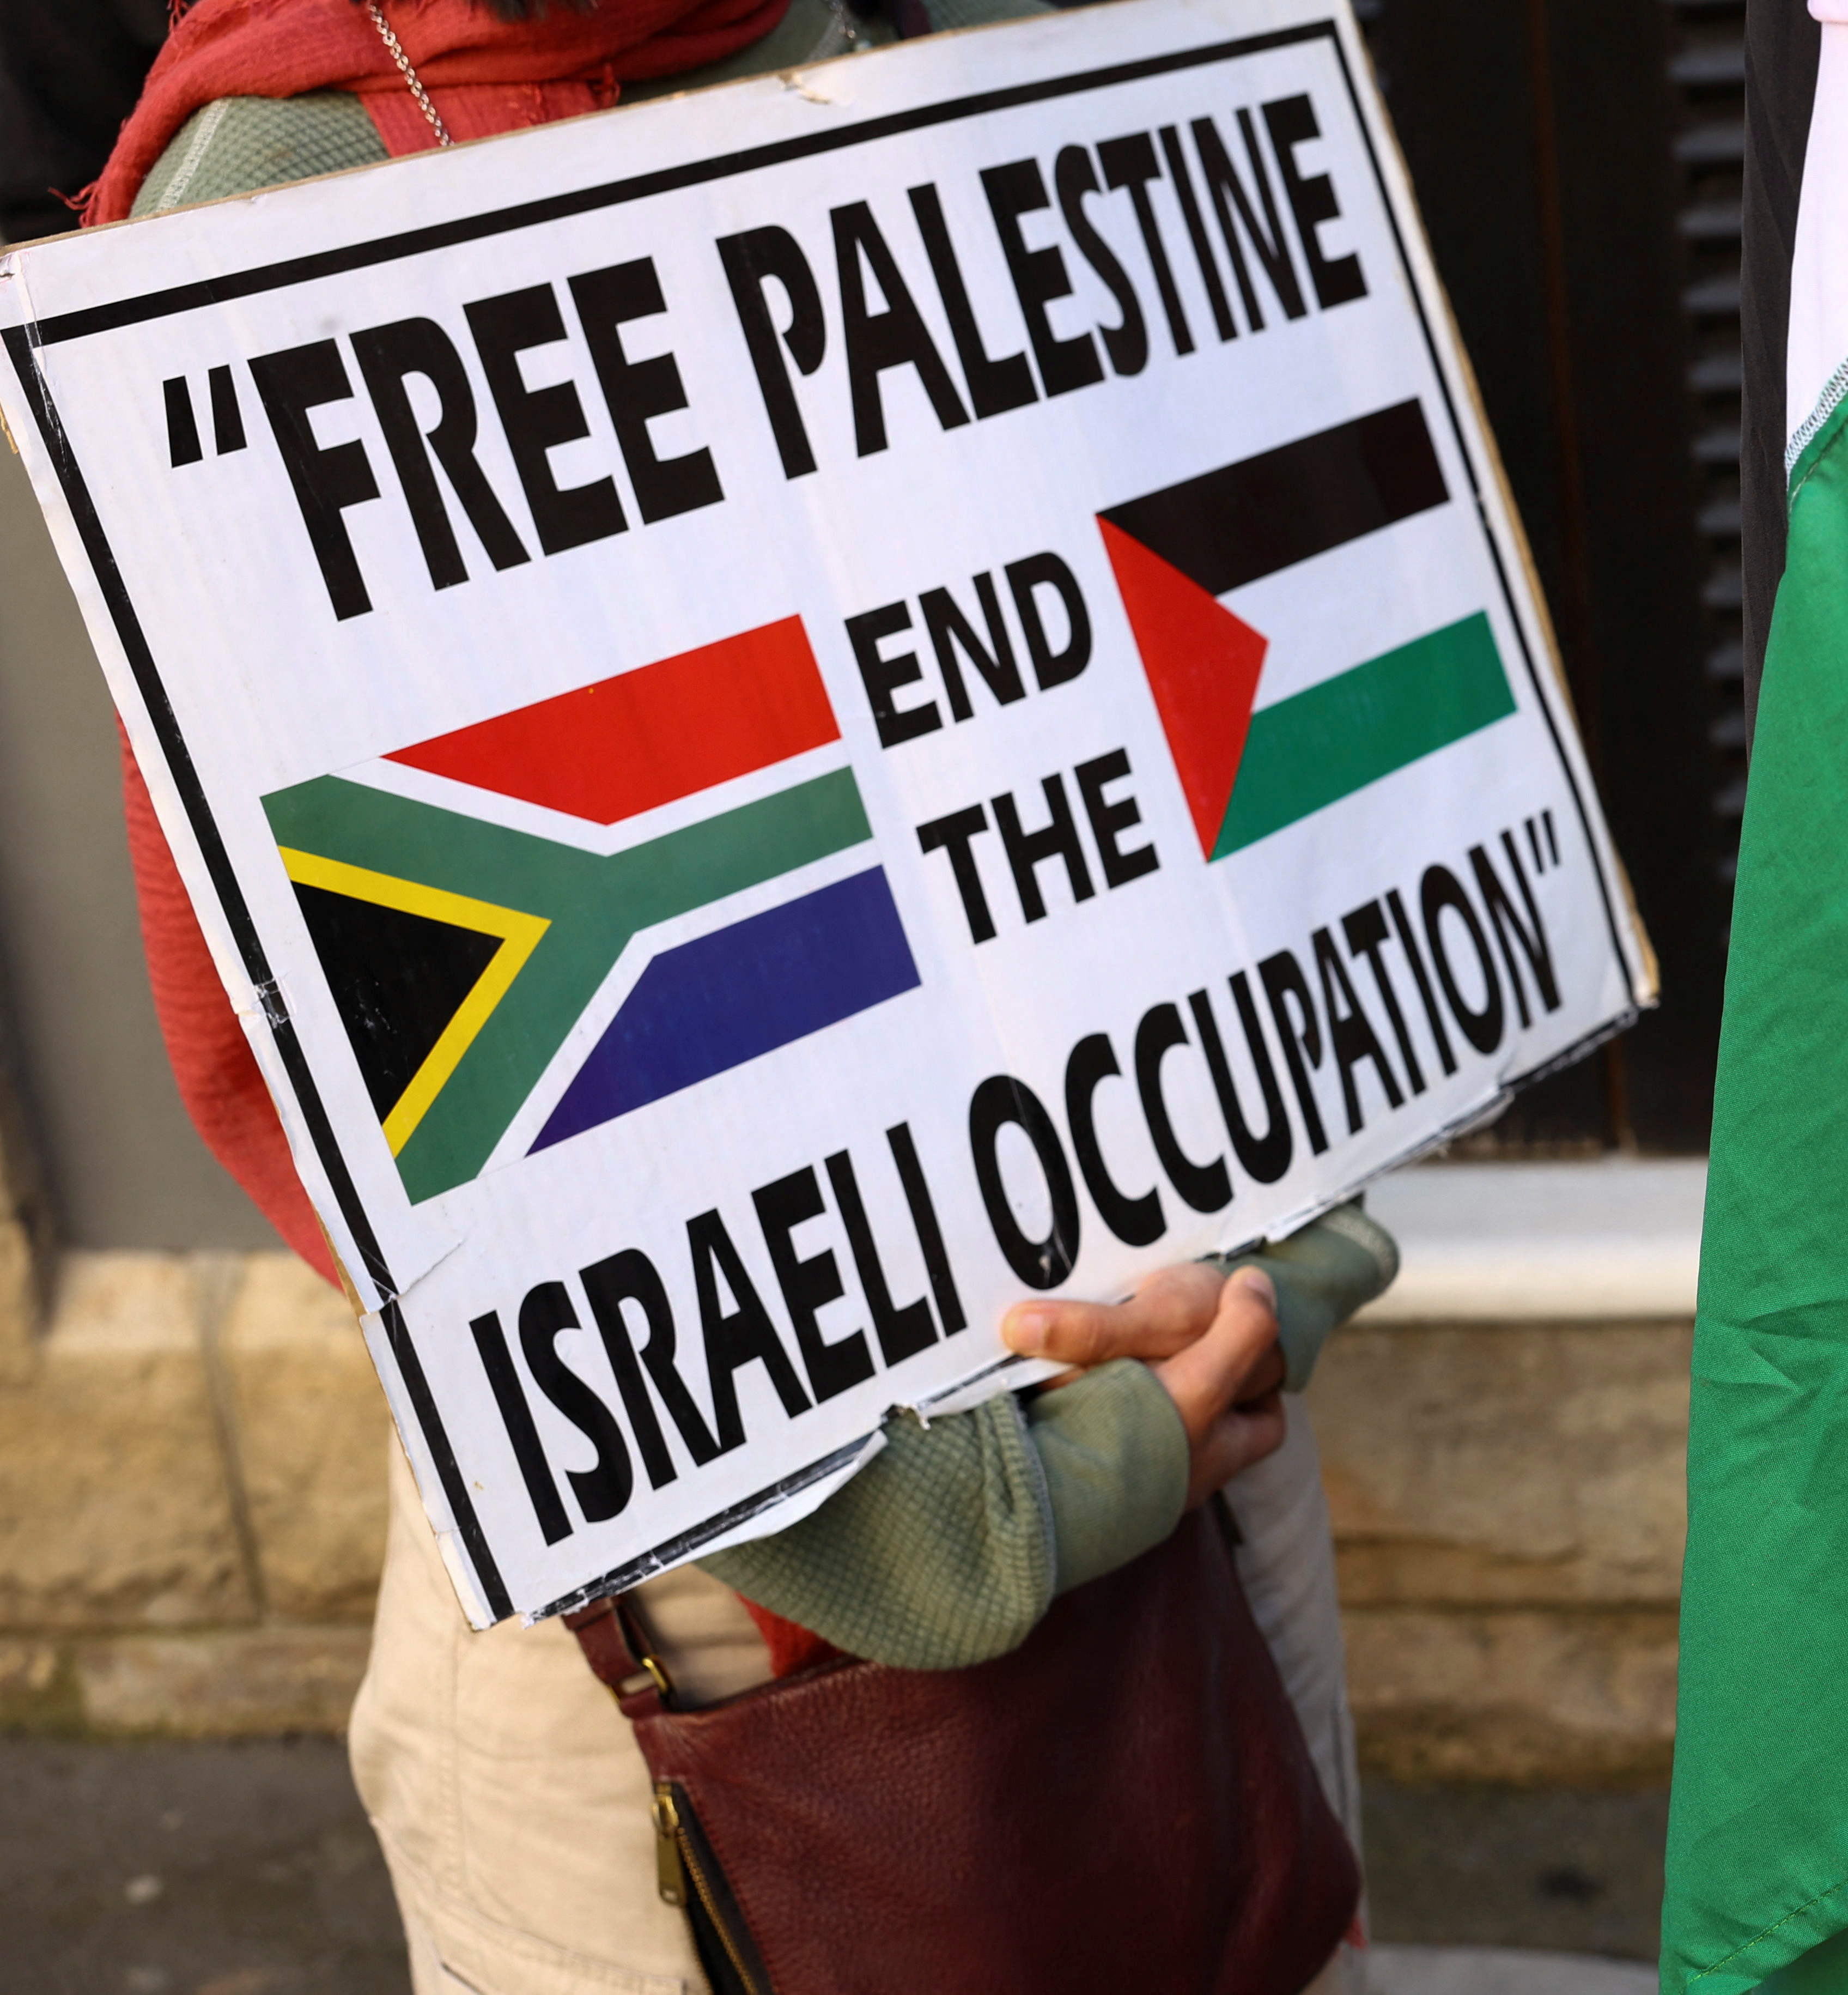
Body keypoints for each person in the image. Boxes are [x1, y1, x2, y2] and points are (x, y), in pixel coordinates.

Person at [86, 4, 1387, 1990]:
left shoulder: (985, 38)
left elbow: (1288, 747)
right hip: (709, 1637)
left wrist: (1270, 1281)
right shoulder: (275, 202)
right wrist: (1013, 1506)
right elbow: (354, 1072)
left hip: (1197, 1443)